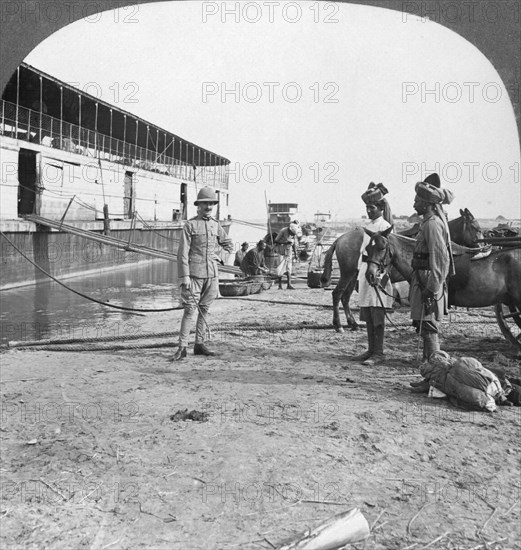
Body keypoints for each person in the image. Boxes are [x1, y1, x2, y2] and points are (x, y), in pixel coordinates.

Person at [171, 186, 233, 361]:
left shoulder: (215, 225)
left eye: (211, 204)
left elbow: (229, 245)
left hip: (212, 276)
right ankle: (182, 347)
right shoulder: (190, 225)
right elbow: (182, 253)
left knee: (204, 309)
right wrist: (185, 277)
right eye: (205, 204)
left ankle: (199, 344)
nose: (208, 207)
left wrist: (219, 257)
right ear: (199, 205)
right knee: (190, 310)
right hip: (194, 275)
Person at [409, 173, 455, 361]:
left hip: (428, 283)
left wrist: (432, 288)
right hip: (422, 281)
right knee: (424, 328)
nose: (413, 205)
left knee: (429, 330)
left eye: (417, 201)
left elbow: (440, 260)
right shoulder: (427, 223)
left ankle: (436, 378)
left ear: (427, 204)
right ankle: (430, 376)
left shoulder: (433, 225)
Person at [352, 182, 394, 365]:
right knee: (367, 312)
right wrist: (357, 275)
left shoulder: (385, 227)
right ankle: (370, 349)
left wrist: (380, 276)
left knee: (377, 311)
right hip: (365, 271)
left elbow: (388, 255)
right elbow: (363, 252)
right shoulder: (368, 226)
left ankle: (379, 352)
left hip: (379, 273)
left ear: (381, 208)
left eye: (372, 207)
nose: (369, 211)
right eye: (367, 208)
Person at [274, 222, 300, 290]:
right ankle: (280, 285)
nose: (292, 235)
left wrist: (296, 254)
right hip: (281, 251)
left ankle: (289, 284)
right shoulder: (283, 231)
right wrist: (285, 242)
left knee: (289, 268)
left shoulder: (294, 234)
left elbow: (293, 244)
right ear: (289, 230)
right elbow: (276, 240)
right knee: (280, 268)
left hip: (289, 252)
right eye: (291, 233)